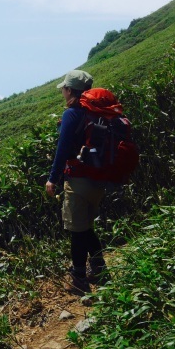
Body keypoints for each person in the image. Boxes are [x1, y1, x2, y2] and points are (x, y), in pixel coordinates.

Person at [45, 69, 107, 296]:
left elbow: (62, 150)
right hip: (98, 178)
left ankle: (79, 277)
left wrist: (53, 178)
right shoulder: (97, 112)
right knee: (87, 226)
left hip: (78, 178)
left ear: (70, 90)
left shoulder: (73, 114)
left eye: (64, 88)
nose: (62, 91)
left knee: (77, 230)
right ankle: (100, 270)